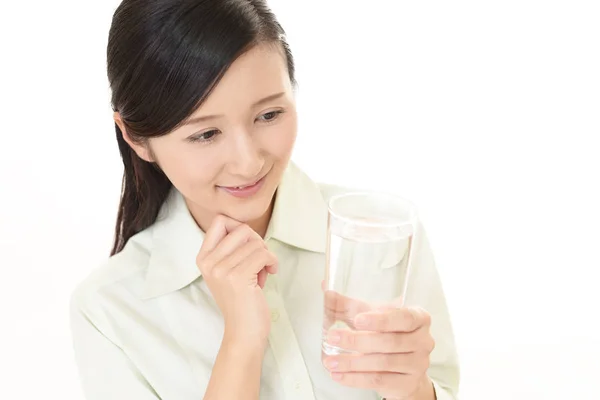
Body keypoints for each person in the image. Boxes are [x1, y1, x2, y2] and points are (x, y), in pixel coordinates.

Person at [69, 1, 460, 399]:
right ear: (135, 138)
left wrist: (414, 388)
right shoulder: (110, 309)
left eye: (269, 115)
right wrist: (241, 342)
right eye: (205, 135)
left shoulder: (380, 237)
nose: (248, 162)